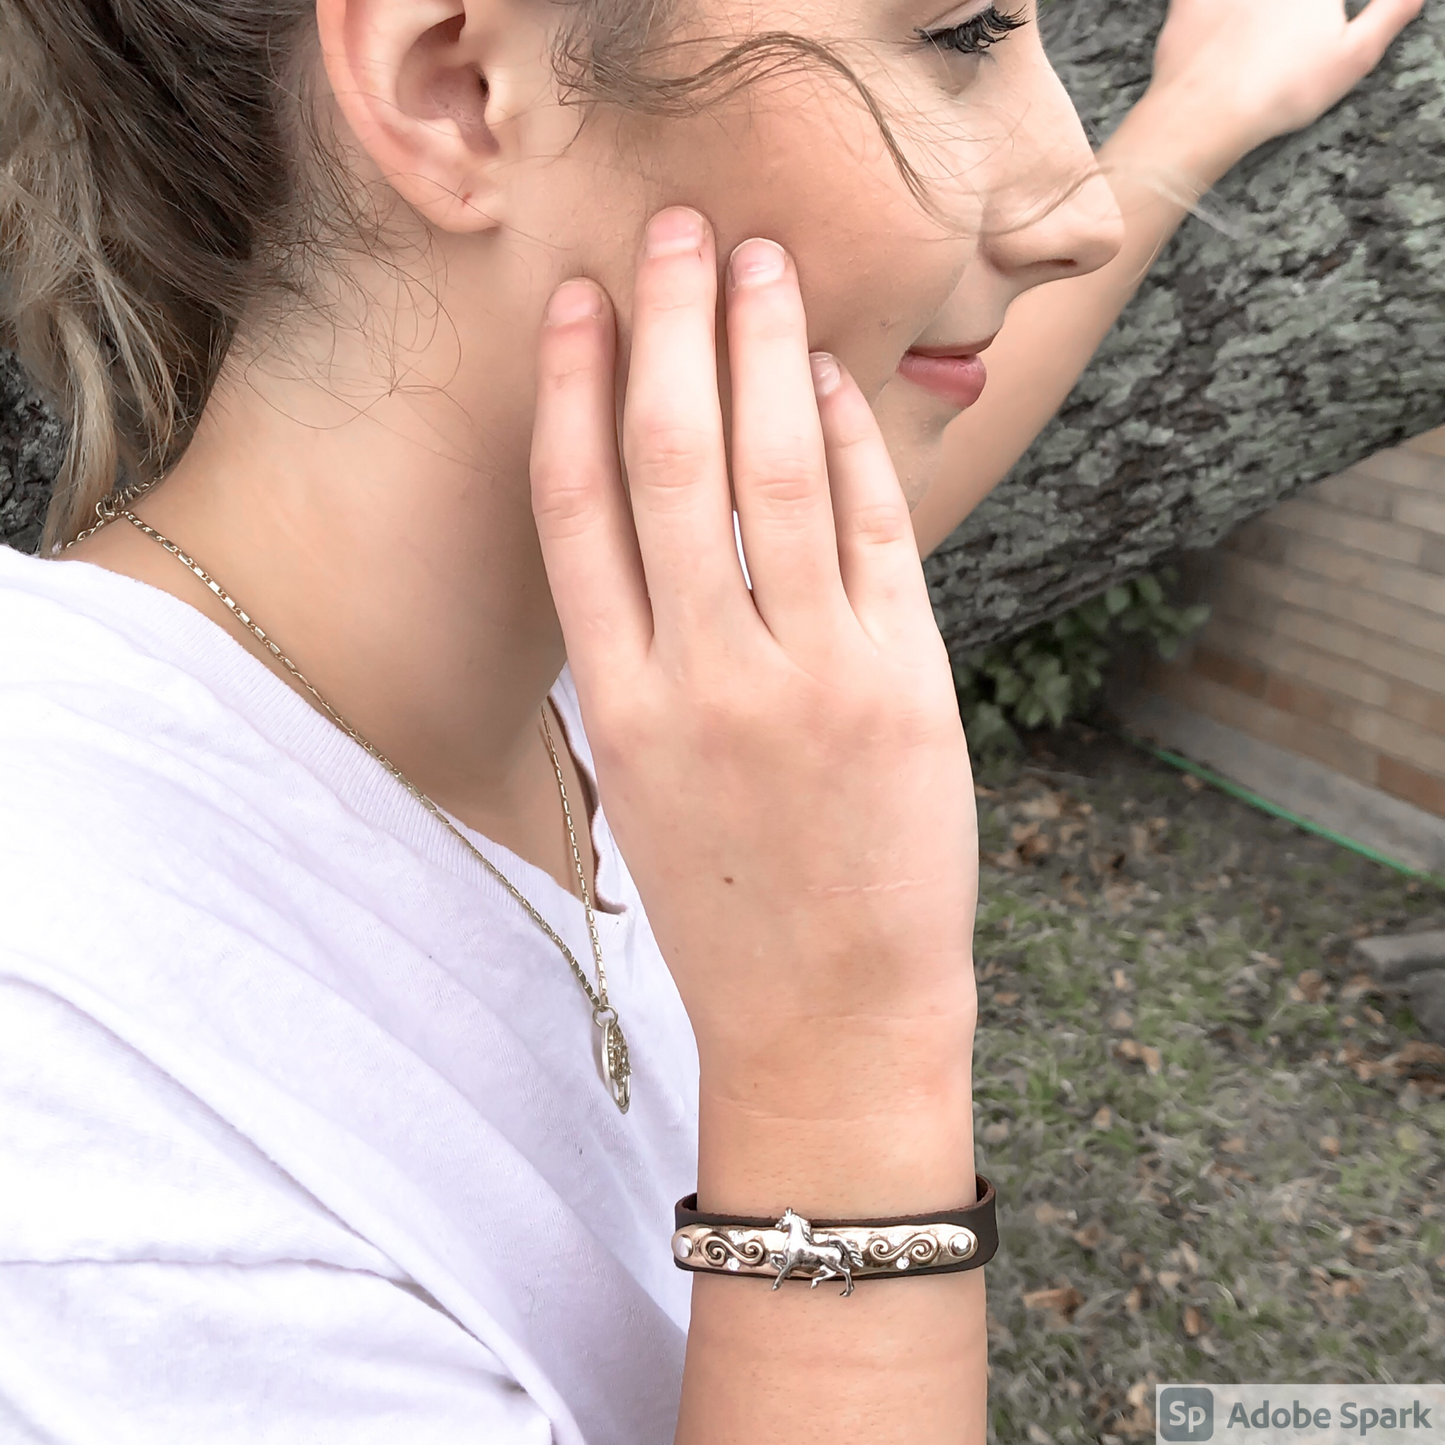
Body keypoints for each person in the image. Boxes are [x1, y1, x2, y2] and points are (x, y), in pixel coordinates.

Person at [0, 0, 1417, 1440]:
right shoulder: (75, 1107)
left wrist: (1200, 112)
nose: (1075, 220)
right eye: (963, 32)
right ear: (453, 89)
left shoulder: (589, 649)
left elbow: (887, 497)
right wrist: (847, 1068)